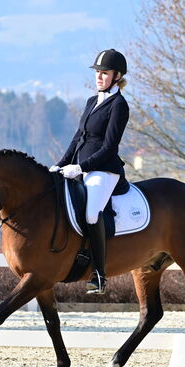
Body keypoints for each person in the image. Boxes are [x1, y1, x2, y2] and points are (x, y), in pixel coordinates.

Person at [49, 48, 129, 295]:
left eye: (104, 73)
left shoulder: (119, 105)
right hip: (79, 167)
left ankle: (98, 273)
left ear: (117, 76)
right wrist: (61, 164)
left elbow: (109, 147)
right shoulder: (91, 101)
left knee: (92, 213)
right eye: (97, 73)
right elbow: (78, 138)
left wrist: (82, 167)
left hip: (104, 170)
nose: (99, 77)